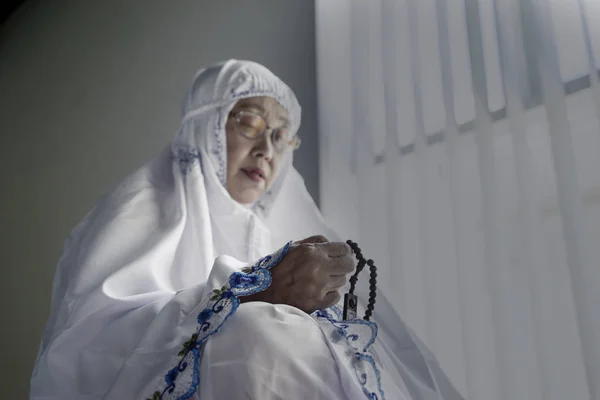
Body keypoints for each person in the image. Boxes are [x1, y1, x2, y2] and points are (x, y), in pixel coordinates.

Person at [30, 60, 464, 400]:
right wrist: (254, 293)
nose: (266, 150)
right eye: (250, 124)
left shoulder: (287, 230)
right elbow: (91, 344)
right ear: (208, 125)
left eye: (280, 136)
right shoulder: (146, 204)